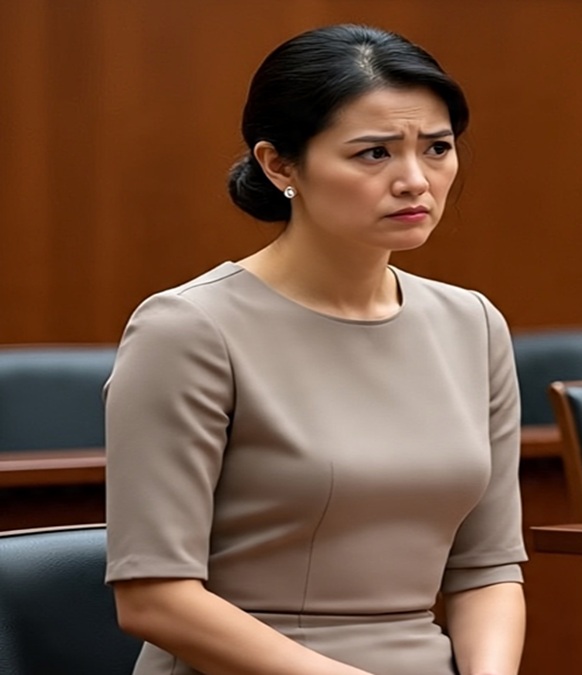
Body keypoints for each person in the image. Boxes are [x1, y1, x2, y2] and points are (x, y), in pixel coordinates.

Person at [104, 24, 525, 675]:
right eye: (374, 153)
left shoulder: (473, 323)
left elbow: (487, 568)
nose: (416, 180)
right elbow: (154, 599)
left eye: (437, 148)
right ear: (279, 165)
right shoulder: (188, 329)